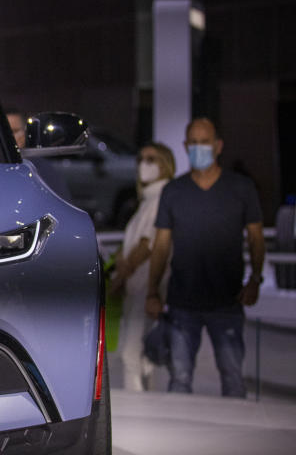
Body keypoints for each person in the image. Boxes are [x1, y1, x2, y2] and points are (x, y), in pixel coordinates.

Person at [145, 118, 265, 397]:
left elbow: (256, 238)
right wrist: (153, 291)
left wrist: (255, 280)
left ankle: (238, 437)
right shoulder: (174, 191)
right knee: (179, 380)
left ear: (218, 145)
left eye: (205, 142)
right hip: (182, 302)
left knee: (233, 379)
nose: (199, 148)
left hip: (227, 301)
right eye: (194, 143)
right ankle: (179, 441)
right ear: (186, 146)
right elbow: (161, 245)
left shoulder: (241, 188)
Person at [110, 142, 175, 391]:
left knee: (131, 354)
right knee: (140, 355)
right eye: (141, 159)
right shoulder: (149, 200)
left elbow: (147, 244)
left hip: (146, 288)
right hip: (139, 288)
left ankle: (139, 409)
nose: (143, 165)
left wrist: (120, 278)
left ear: (165, 164)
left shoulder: (160, 198)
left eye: (152, 159)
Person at [6, 109, 73, 201]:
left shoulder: (42, 170)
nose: (10, 137)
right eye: (6, 132)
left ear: (25, 133)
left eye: (14, 131)